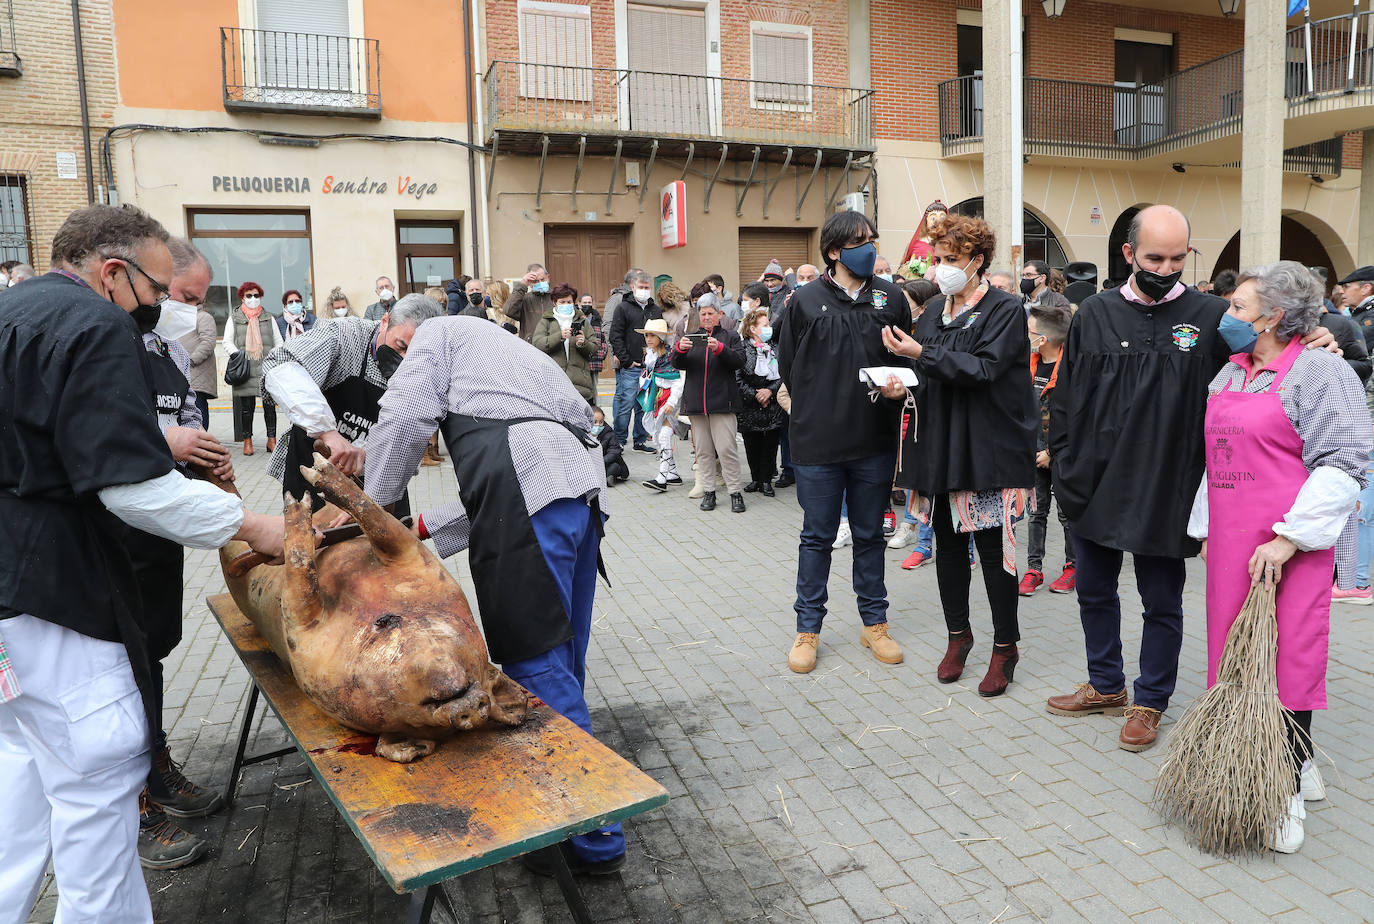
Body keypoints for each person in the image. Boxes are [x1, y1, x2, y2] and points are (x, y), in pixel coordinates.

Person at [0, 204, 284, 923]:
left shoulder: (12, 310)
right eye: (159, 291)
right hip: (51, 592)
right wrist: (253, 525)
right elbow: (130, 488)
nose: (160, 308)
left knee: (20, 779)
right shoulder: (95, 326)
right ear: (113, 273)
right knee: (98, 782)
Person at [1046, 204, 1336, 753]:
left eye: (1179, 257)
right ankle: (1106, 683)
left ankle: (1150, 700)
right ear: (1129, 254)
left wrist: (1320, 342)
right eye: (1155, 257)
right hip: (1094, 482)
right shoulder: (1095, 313)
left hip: (1169, 486)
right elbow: (1068, 400)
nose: (1167, 266)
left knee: (1162, 600)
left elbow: (1275, 359)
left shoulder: (1212, 317)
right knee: (1093, 591)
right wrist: (1064, 466)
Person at [361, 314, 625, 876]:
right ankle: (575, 820)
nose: (399, 364)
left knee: (537, 667)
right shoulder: (508, 353)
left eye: (394, 353)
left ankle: (592, 836)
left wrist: (368, 512)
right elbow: (521, 473)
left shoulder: (436, 334)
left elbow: (404, 420)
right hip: (576, 495)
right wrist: (417, 529)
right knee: (562, 657)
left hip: (534, 494)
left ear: (401, 330)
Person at [1186, 261, 1371, 854]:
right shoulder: (1228, 376)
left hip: (1289, 548)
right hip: (1233, 549)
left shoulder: (1321, 373)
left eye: (1238, 308)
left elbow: (1346, 462)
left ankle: (1284, 789)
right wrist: (1208, 526)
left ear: (1274, 317)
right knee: (1235, 661)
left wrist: (1288, 538)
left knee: (1287, 661)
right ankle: (1295, 765)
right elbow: (1216, 461)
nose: (1227, 317)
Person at [884, 215, 1037, 697]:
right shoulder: (931, 314)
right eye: (938, 258)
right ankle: (958, 636)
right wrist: (900, 386)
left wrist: (919, 356)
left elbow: (985, 369)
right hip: (940, 445)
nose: (943, 268)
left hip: (984, 447)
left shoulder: (1005, 308)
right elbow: (930, 377)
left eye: (951, 259)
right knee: (947, 547)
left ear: (977, 260)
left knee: (993, 553)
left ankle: (1005, 647)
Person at [777, 209, 910, 674]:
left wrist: (899, 388)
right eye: (859, 241)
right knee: (817, 537)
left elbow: (904, 361)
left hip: (873, 441)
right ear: (834, 250)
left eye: (873, 238)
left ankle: (874, 622)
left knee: (871, 535)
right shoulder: (805, 301)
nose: (869, 247)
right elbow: (790, 366)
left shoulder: (890, 297)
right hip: (817, 444)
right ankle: (807, 629)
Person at [261, 293, 442, 510]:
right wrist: (327, 432)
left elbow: (409, 444)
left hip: (380, 486)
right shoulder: (344, 335)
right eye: (400, 346)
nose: (404, 360)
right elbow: (280, 364)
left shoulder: (427, 369)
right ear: (385, 321)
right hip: (312, 474)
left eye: (413, 354)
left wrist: (369, 456)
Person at [1019, 305, 1076, 596]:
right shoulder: (1027, 363)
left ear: (1044, 339)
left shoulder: (1070, 369)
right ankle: (1033, 569)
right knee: (1036, 513)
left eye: (1029, 332)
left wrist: (1052, 452)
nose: (1024, 336)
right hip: (1031, 453)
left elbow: (1075, 418)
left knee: (1066, 515)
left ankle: (1072, 566)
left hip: (1061, 455)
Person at [672, 299, 747, 513]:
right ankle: (709, 492)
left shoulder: (730, 336)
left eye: (710, 313)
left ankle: (735, 492)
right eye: (703, 314)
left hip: (723, 402)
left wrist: (721, 349)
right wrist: (679, 349)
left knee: (726, 449)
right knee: (704, 452)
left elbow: (740, 361)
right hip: (696, 404)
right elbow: (675, 363)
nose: (706, 317)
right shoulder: (691, 337)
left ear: (719, 314)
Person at [223, 280, 280, 455]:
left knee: (269, 406)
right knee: (247, 408)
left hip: (266, 368)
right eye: (249, 296)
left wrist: (273, 357)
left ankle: (272, 440)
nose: (253, 299)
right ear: (242, 297)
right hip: (245, 369)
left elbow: (278, 341)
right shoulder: (235, 318)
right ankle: (247, 441)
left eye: (256, 295)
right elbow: (227, 341)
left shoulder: (268, 317)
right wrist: (238, 355)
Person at [608, 269, 661, 452]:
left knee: (643, 405)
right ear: (633, 286)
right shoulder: (623, 308)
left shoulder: (655, 310)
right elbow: (616, 336)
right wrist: (627, 360)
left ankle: (639, 440)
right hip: (631, 367)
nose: (644, 290)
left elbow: (660, 335)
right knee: (625, 404)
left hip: (649, 367)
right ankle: (619, 440)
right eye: (641, 287)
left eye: (647, 287)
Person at [169, 237, 218, 432]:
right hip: (182, 374)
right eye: (188, 297)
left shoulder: (203, 318)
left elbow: (208, 342)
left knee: (198, 413)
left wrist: (187, 360)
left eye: (196, 300)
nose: (190, 305)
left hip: (197, 376)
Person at [735, 306, 785, 496]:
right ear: (753, 329)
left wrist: (769, 392)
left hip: (772, 403)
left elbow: (783, 374)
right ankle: (755, 479)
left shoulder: (774, 347)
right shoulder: (742, 348)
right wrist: (755, 394)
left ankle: (766, 481)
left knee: (770, 444)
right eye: (764, 325)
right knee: (751, 444)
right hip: (750, 404)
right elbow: (737, 377)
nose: (768, 328)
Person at [636, 319, 684, 492]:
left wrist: (672, 402)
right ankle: (673, 474)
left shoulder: (671, 357)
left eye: (652, 335)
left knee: (664, 435)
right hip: (657, 397)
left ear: (661, 337)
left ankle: (662, 478)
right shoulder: (650, 355)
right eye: (647, 335)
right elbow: (647, 376)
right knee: (658, 436)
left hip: (672, 398)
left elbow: (678, 381)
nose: (648, 339)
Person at [533, 284, 600, 406]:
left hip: (580, 382)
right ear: (555, 303)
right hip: (554, 381)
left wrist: (583, 343)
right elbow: (537, 344)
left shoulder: (582, 320)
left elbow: (595, 348)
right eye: (562, 302)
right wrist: (559, 336)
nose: (565, 305)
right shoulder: (546, 321)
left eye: (569, 302)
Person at [506, 262, 552, 341]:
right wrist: (523, 284)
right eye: (535, 281)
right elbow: (509, 310)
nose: (540, 283)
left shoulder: (557, 298)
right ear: (530, 283)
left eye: (542, 279)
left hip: (553, 346)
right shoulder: (525, 299)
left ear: (548, 278)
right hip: (531, 346)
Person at [901, 199, 948, 269]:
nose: (937, 221)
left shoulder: (950, 244)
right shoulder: (916, 244)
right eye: (933, 218)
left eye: (942, 218)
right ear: (926, 221)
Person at [1338, 265, 1374, 349]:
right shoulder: (1359, 311)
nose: (1341, 291)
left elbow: (1353, 344)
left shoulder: (1371, 314)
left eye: (1346, 286)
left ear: (1365, 289)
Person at [593, 406, 628, 485]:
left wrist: (600, 461)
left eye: (601, 422)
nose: (598, 425)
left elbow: (614, 452)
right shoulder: (584, 434)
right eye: (595, 422)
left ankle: (607, 478)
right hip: (592, 465)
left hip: (607, 463)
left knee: (614, 467)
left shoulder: (609, 434)